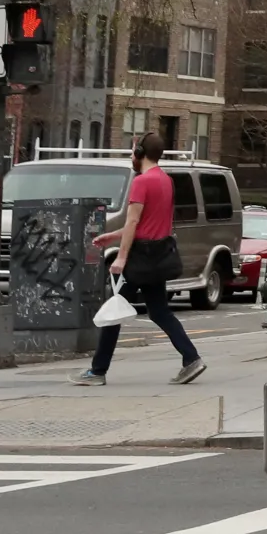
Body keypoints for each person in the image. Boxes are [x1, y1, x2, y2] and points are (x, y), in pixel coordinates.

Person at [73, 131, 204, 387]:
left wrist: (121, 257)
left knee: (115, 310)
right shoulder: (166, 180)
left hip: (139, 258)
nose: (132, 155)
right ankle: (191, 359)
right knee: (159, 312)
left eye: (134, 150)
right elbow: (149, 223)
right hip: (158, 255)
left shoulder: (142, 182)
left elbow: (134, 221)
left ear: (140, 154)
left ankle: (97, 371)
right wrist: (113, 235)